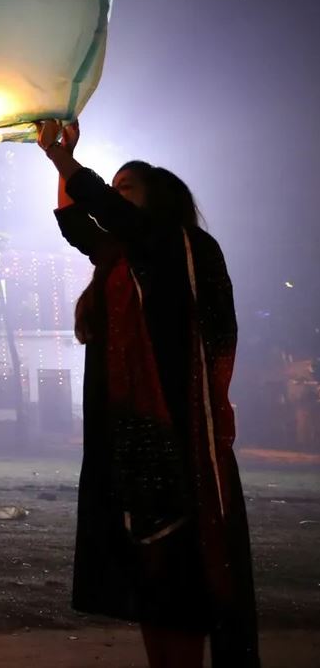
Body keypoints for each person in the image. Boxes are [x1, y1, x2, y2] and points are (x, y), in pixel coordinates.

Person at [38, 121, 258, 667]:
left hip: (176, 432)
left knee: (180, 566)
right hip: (130, 436)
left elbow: (111, 215)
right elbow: (73, 221)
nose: (114, 196)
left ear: (155, 199)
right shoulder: (120, 258)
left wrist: (67, 162)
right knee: (149, 573)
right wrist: (58, 160)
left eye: (126, 187)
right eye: (112, 187)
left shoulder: (178, 247)